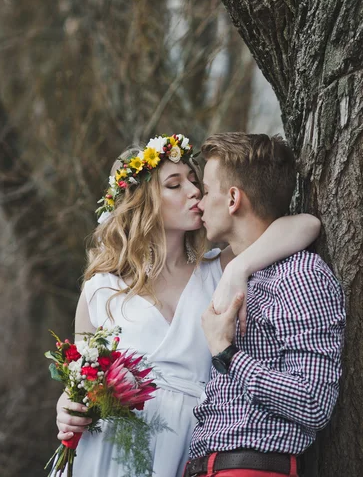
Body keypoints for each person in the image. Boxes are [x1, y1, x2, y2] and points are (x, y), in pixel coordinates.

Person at [54, 133, 321, 477]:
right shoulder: (100, 290)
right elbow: (77, 384)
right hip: (111, 446)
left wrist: (239, 268)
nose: (194, 192)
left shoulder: (218, 270)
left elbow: (307, 225)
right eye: (174, 185)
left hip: (188, 444)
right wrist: (66, 408)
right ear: (142, 201)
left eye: (195, 181)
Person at [183, 133, 346, 477]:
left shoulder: (302, 276)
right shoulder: (237, 272)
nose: (198, 203)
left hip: (249, 467)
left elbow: (313, 402)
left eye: (207, 191)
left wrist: (227, 354)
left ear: (232, 199)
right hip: (206, 465)